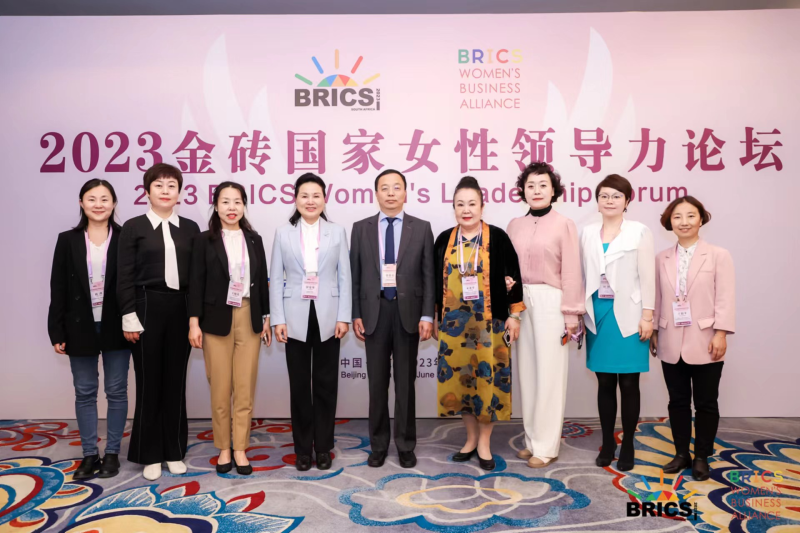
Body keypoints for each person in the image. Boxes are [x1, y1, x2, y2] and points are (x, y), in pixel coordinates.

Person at [433, 176, 525, 471]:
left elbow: (514, 278)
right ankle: (470, 439)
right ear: (453, 208)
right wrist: (436, 317)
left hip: (490, 326)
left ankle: (484, 443)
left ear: (482, 207)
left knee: (487, 385)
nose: (466, 210)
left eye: (472, 204)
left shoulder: (497, 237)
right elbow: (434, 282)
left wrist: (514, 316)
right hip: (454, 329)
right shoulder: (444, 240)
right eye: (460, 204)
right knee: (462, 385)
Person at [117, 163, 200, 481]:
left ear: (180, 193)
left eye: (171, 186)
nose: (165, 191)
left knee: (175, 382)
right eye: (159, 185)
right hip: (145, 306)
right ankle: (150, 454)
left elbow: (197, 278)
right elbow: (124, 276)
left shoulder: (190, 228)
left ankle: (173, 450)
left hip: (181, 307)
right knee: (149, 382)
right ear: (147, 191)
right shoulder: (134, 227)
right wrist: (129, 316)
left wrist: (195, 319)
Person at [350, 169, 435, 469]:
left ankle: (406, 444)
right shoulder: (360, 228)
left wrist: (428, 314)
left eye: (396, 187)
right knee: (376, 384)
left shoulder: (421, 228)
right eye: (384, 188)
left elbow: (428, 275)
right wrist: (355, 313)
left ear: (406, 193)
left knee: (405, 384)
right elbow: (355, 275)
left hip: (408, 313)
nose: (390, 193)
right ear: (376, 193)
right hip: (373, 313)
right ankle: (377, 445)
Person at [48, 179, 131, 480]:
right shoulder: (67, 240)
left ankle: (112, 453)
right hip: (79, 326)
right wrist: (56, 331)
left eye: (105, 199)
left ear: (114, 203)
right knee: (84, 391)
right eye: (92, 198)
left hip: (116, 325)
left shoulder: (125, 237)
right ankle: (89, 454)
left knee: (116, 391)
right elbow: (58, 287)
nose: (98, 204)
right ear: (81, 203)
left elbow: (134, 285)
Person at [188, 182, 272, 476]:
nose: (232, 207)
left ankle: (240, 448)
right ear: (216, 206)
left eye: (237, 201)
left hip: (249, 316)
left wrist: (266, 317)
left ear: (244, 206)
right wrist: (194, 322)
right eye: (225, 202)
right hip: (215, 319)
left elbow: (262, 281)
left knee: (245, 388)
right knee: (220, 388)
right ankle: (224, 447)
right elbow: (195, 283)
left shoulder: (254, 239)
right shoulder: (203, 240)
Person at [269, 173, 351, 472]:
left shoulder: (337, 231)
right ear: (295, 199)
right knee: (300, 385)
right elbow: (275, 277)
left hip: (329, 315)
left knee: (327, 385)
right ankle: (303, 449)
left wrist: (344, 316)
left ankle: (324, 447)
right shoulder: (283, 233)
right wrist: (278, 319)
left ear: (324, 199)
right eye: (304, 195)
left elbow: (345, 276)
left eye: (316, 195)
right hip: (294, 316)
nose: (310, 201)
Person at [506, 162, 584, 468]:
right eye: (530, 185)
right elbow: (507, 268)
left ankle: (547, 446)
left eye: (543, 185)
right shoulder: (514, 225)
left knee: (550, 374)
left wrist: (571, 314)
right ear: (522, 191)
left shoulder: (564, 224)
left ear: (554, 191)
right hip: (520, 302)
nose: (536, 191)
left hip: (552, 301)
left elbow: (572, 271)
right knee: (527, 373)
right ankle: (531, 440)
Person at [650, 196, 734, 481]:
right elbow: (657, 298)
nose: (684, 222)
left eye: (690, 215)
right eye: (677, 217)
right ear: (669, 222)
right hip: (669, 338)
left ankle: (701, 457)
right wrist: (655, 331)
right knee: (677, 401)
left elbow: (725, 297)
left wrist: (721, 333)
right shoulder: (661, 258)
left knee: (706, 402)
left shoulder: (718, 255)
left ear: (701, 219)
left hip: (707, 339)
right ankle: (681, 454)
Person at [580, 174, 655, 472]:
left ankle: (629, 445)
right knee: (605, 382)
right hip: (597, 314)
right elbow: (582, 274)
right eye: (604, 196)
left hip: (630, 315)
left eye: (616, 196)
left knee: (629, 382)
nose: (609, 201)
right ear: (597, 201)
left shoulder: (639, 231)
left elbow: (647, 277)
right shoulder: (587, 233)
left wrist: (647, 316)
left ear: (627, 201)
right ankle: (608, 443)